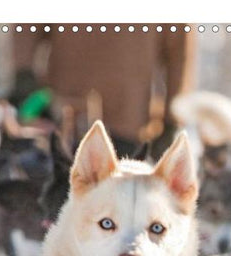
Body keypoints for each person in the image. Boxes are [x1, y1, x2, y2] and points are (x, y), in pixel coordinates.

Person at [11, 28, 196, 158]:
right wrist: (23, 74)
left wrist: (172, 122)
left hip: (129, 128)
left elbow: (179, 53)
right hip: (63, 124)